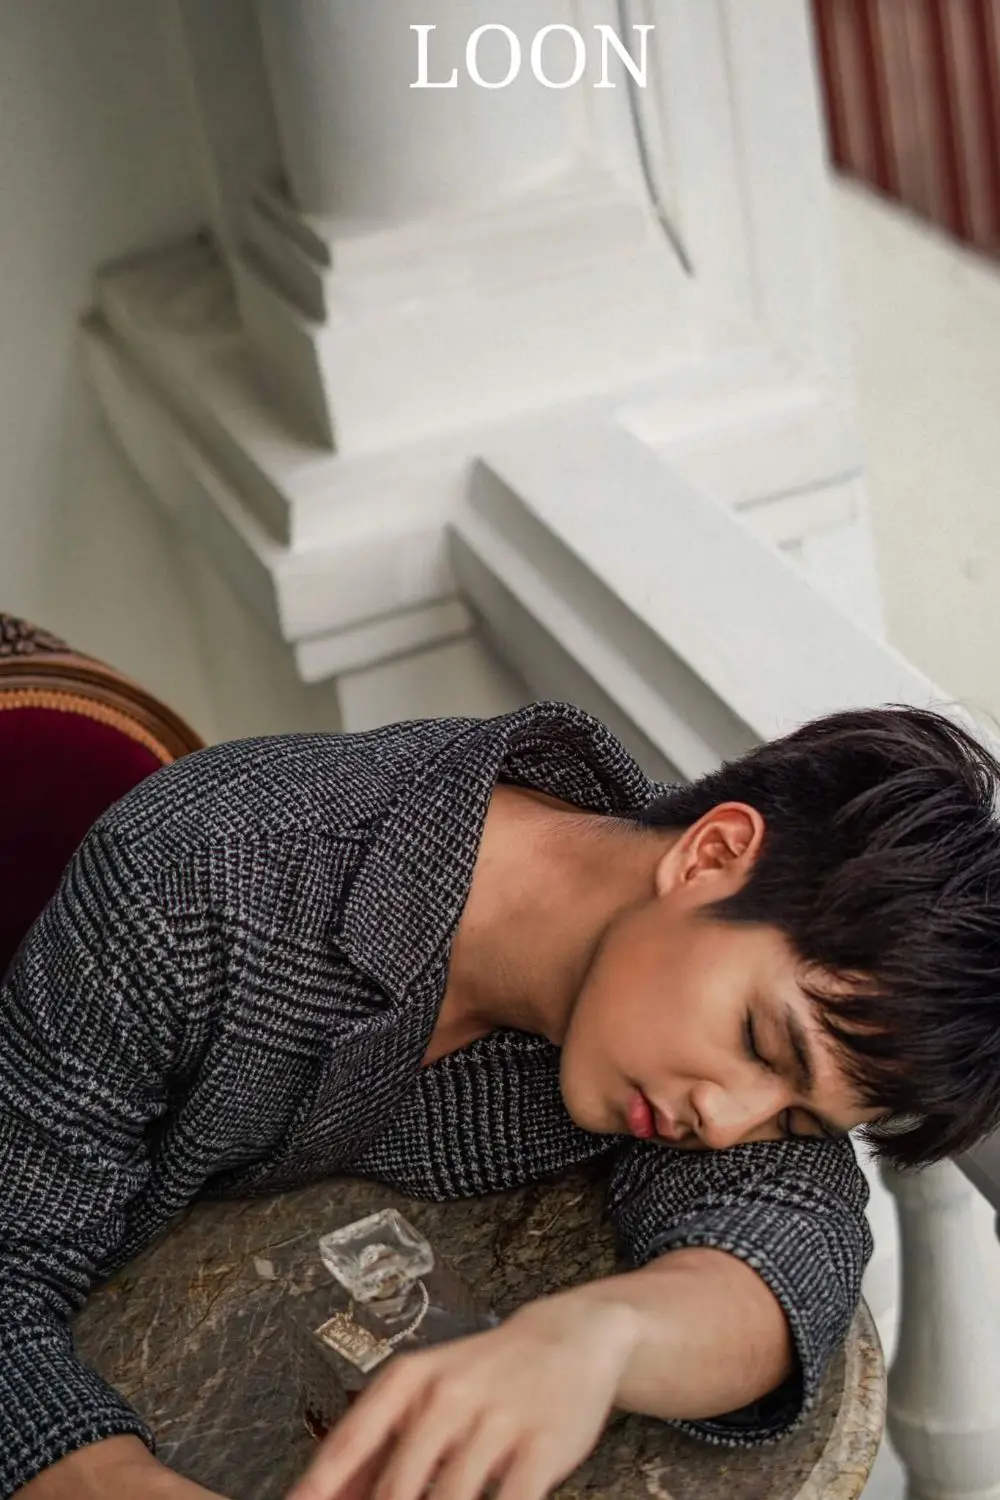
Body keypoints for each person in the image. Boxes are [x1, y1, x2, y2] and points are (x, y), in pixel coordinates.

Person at [5, 699, 1000, 1500]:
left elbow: (789, 1246)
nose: (731, 1119)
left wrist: (598, 1340)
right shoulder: (195, 882)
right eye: (760, 1041)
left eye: (795, 1117)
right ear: (709, 855)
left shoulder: (674, 1001)